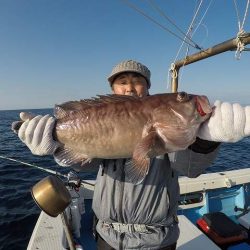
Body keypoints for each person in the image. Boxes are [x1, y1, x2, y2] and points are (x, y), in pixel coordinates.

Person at [15, 60, 250, 250]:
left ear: (148, 88)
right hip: (106, 236)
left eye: (137, 82)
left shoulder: (175, 136)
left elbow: (189, 167)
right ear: (113, 90)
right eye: (123, 83)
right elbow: (84, 164)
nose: (129, 87)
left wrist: (205, 141)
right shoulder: (102, 115)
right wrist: (54, 145)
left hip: (157, 241)